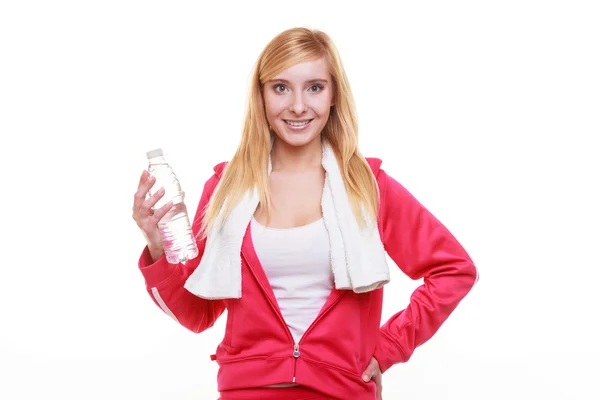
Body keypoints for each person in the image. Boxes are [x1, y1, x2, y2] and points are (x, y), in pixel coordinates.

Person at [132, 27, 478, 400]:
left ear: (333, 96)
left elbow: (454, 270)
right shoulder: (226, 189)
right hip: (246, 391)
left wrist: (387, 346)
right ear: (261, 96)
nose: (298, 105)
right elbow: (196, 313)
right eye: (281, 88)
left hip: (342, 391)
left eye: (314, 87)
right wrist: (156, 246)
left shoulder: (367, 185)